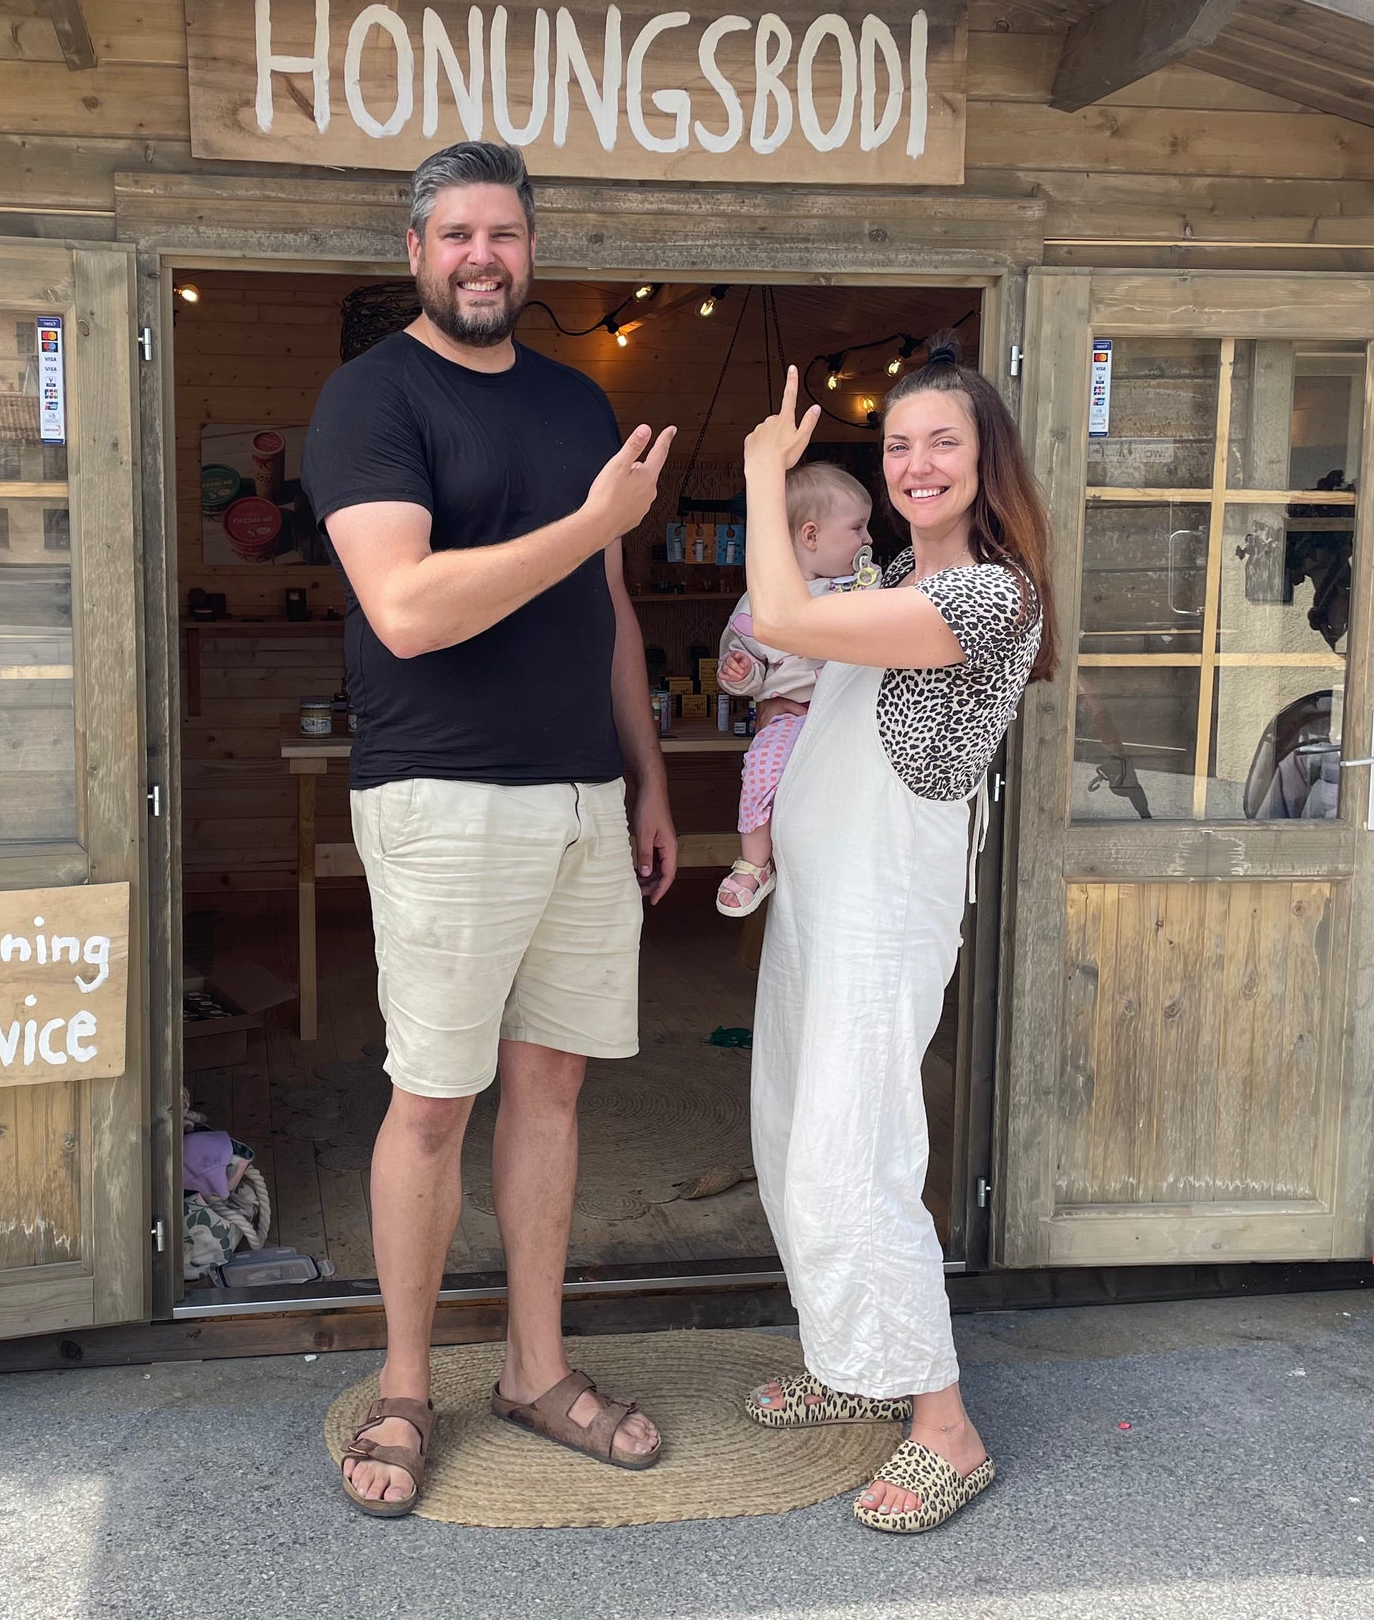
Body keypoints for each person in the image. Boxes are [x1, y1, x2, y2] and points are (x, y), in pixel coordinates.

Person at [301, 141, 678, 1517]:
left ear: (530, 252)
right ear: (416, 252)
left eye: (503, 234)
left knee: (553, 1092)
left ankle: (534, 1368)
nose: (481, 257)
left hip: (582, 797)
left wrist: (645, 777)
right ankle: (407, 1387)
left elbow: (610, 607)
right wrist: (591, 524)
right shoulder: (371, 398)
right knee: (432, 1102)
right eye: (456, 233)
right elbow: (406, 609)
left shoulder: (580, 405)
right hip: (444, 795)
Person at [738, 341, 1056, 1533]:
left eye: (943, 442)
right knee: (792, 1131)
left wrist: (764, 472)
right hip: (822, 901)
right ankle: (854, 1360)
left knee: (855, 1149)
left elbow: (779, 613)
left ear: (985, 458)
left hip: (881, 909)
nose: (917, 464)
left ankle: (945, 1425)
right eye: (899, 444)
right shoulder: (886, 575)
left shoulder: (984, 597)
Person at [714, 463, 873, 916]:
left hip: (852, 716)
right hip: (791, 716)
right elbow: (747, 668)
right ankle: (754, 863)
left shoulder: (866, 587)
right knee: (761, 768)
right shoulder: (761, 603)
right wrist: (741, 673)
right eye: (857, 528)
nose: (869, 539)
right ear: (811, 536)